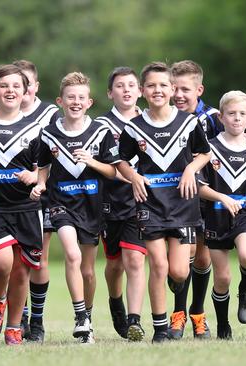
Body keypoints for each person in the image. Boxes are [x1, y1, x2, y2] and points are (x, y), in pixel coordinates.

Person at [116, 61, 211, 343]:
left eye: (163, 85)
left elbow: (204, 154)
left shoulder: (189, 122)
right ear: (143, 91)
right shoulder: (134, 127)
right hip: (151, 204)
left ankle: (175, 283)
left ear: (172, 89)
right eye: (152, 86)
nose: (158, 90)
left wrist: (191, 170)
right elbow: (120, 160)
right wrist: (133, 177)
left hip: (183, 204)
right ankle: (160, 328)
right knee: (157, 264)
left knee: (179, 272)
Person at [31, 72, 118, 344]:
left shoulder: (100, 132)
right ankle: (80, 316)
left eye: (81, 97)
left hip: (92, 207)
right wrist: (40, 184)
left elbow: (114, 172)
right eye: (71, 97)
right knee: (72, 255)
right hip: (60, 205)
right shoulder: (48, 134)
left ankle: (87, 318)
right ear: (60, 101)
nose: (76, 101)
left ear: (90, 102)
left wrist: (91, 162)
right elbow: (43, 166)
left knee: (88, 271)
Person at [0, 64, 43, 345]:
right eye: (4, 86)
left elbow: (46, 169)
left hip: (27, 207)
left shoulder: (36, 127)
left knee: (21, 269)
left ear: (26, 91)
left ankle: (14, 326)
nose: (10, 90)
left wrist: (37, 177)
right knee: (2, 264)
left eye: (16, 86)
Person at [198, 91, 246, 340]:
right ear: (221, 117)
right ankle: (223, 324)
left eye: (242, 114)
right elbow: (199, 187)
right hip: (216, 217)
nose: (237, 118)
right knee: (223, 277)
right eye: (231, 114)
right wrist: (221, 198)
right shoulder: (209, 149)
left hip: (245, 215)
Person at [167, 60, 223, 339]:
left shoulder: (213, 118)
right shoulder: (162, 115)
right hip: (174, 198)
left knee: (201, 258)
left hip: (207, 195)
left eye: (185, 89)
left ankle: (198, 313)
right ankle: (177, 315)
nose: (178, 95)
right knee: (181, 260)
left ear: (199, 90)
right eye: (174, 88)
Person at [94, 67, 147, 341]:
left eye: (131, 85)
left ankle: (134, 320)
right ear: (109, 93)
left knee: (135, 260)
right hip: (111, 202)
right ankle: (116, 302)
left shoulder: (151, 121)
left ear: (140, 91)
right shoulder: (101, 125)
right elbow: (106, 166)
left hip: (143, 202)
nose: (126, 90)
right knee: (115, 265)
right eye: (119, 86)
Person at [13, 59, 59, 342]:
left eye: (28, 83)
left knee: (37, 260)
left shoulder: (51, 114)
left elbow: (62, 151)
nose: (24, 89)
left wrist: (38, 175)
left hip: (44, 195)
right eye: (19, 84)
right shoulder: (2, 115)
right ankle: (23, 317)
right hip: (9, 199)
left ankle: (38, 321)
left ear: (36, 86)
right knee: (17, 263)